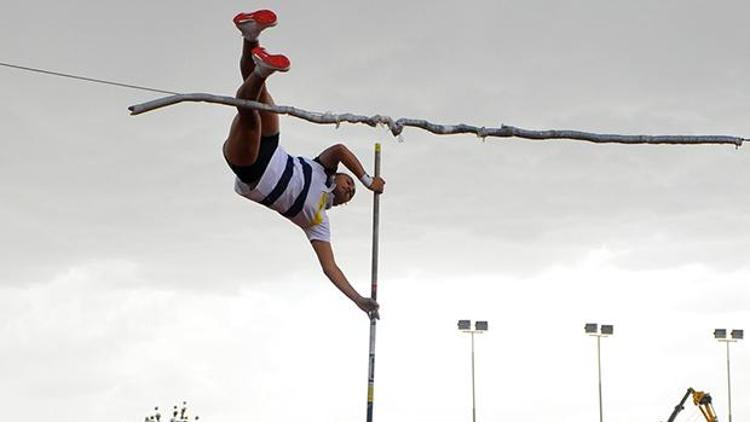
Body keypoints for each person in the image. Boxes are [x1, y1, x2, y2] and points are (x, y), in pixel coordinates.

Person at [224, 9, 384, 318]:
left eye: (351, 191)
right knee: (263, 102)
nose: (350, 187)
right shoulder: (323, 168)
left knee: (250, 115)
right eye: (349, 182)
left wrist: (359, 301)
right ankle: (251, 35)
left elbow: (330, 268)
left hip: (252, 173)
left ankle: (261, 71)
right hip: (273, 151)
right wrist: (367, 180)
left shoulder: (318, 221)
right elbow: (339, 148)